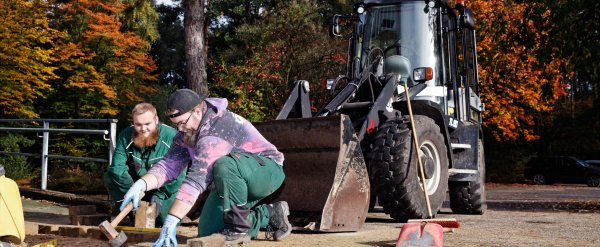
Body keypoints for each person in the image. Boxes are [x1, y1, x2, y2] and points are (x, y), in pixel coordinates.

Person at [120, 89, 290, 246]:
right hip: (232, 182)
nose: (180, 129)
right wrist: (141, 184)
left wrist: (171, 219)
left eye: (182, 122)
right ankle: (269, 214)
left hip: (266, 172)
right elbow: (168, 165)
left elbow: (196, 179)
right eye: (176, 125)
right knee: (208, 233)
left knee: (225, 164)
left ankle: (239, 230)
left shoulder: (215, 130)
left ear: (198, 111)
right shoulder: (187, 131)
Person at [104, 102, 187, 226]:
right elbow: (117, 168)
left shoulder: (173, 137)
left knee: (164, 220)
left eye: (147, 124)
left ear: (156, 120)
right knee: (110, 176)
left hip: (164, 188)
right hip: (136, 186)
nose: (143, 129)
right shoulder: (125, 136)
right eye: (138, 124)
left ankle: (161, 207)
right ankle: (130, 210)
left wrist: (160, 195)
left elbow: (179, 175)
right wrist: (132, 192)